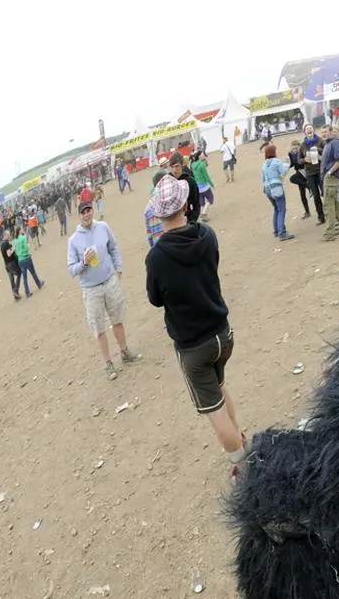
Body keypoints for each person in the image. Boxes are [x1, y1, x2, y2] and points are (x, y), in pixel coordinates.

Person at [145, 175, 250, 482]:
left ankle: (242, 465)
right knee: (220, 386)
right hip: (222, 333)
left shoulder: (157, 257)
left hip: (194, 345)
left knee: (213, 410)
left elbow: (155, 299)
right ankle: (241, 439)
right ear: (185, 204)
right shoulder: (207, 234)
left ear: (158, 213)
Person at [67, 201, 140, 381]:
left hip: (109, 281)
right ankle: (108, 363)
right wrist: (83, 262)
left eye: (89, 210)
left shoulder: (103, 227)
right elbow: (71, 269)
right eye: (83, 212)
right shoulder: (73, 240)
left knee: (117, 319)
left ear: (92, 211)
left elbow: (113, 247)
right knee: (98, 328)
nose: (87, 214)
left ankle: (124, 351)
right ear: (79, 216)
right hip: (91, 289)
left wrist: (118, 267)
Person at [319, 125, 339, 241]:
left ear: (331, 132)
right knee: (336, 203)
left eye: (326, 132)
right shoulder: (328, 143)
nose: (324, 134)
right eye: (322, 132)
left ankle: (329, 233)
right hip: (329, 177)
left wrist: (330, 172)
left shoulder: (335, 143)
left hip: (332, 177)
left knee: (328, 205)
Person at [260, 144, 294, 241]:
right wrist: (287, 163)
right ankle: (282, 232)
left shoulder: (264, 164)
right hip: (276, 188)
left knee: (276, 209)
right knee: (282, 209)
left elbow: (263, 178)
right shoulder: (276, 161)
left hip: (268, 189)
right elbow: (283, 171)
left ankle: (276, 230)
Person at [300, 125, 325, 225]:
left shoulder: (320, 141)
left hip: (320, 170)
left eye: (310, 128)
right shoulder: (303, 145)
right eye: (307, 129)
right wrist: (304, 160)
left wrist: (318, 150)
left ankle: (331, 214)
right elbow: (299, 159)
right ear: (305, 132)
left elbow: (326, 151)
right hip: (310, 173)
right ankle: (321, 217)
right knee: (316, 195)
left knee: (325, 193)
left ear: (314, 130)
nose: (309, 130)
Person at [168, 152, 201, 224]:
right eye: (172, 167)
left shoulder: (191, 182)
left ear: (182, 165)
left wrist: (191, 223)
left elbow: (196, 206)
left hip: (187, 220)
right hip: (170, 222)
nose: (174, 170)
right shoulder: (167, 181)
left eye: (177, 166)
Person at [13, 228, 43, 297]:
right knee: (33, 272)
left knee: (24, 277)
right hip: (26, 258)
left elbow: (16, 252)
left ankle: (27, 292)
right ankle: (39, 284)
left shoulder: (15, 240)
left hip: (20, 260)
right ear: (19, 231)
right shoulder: (23, 237)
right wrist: (28, 250)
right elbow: (26, 247)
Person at [286, 141, 311, 219]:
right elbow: (291, 165)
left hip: (306, 172)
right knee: (302, 194)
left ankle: (309, 186)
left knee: (292, 178)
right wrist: (287, 163)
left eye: (296, 148)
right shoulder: (290, 154)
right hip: (299, 173)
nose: (295, 150)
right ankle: (307, 212)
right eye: (293, 148)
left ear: (299, 147)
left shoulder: (302, 152)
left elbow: (304, 162)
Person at [190, 150, 216, 220]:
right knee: (210, 198)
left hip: (198, 185)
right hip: (204, 185)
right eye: (202, 155)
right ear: (199, 156)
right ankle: (204, 213)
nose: (203, 155)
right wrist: (212, 185)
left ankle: (203, 212)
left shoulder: (193, 164)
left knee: (202, 201)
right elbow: (206, 176)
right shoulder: (202, 164)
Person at [0, 230, 21, 301]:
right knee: (19, 273)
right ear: (5, 235)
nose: (9, 236)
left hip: (6, 265)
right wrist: (13, 248)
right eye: (8, 235)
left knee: (12, 280)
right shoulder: (6, 243)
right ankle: (16, 290)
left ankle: (16, 296)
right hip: (11, 263)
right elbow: (9, 254)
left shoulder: (2, 245)